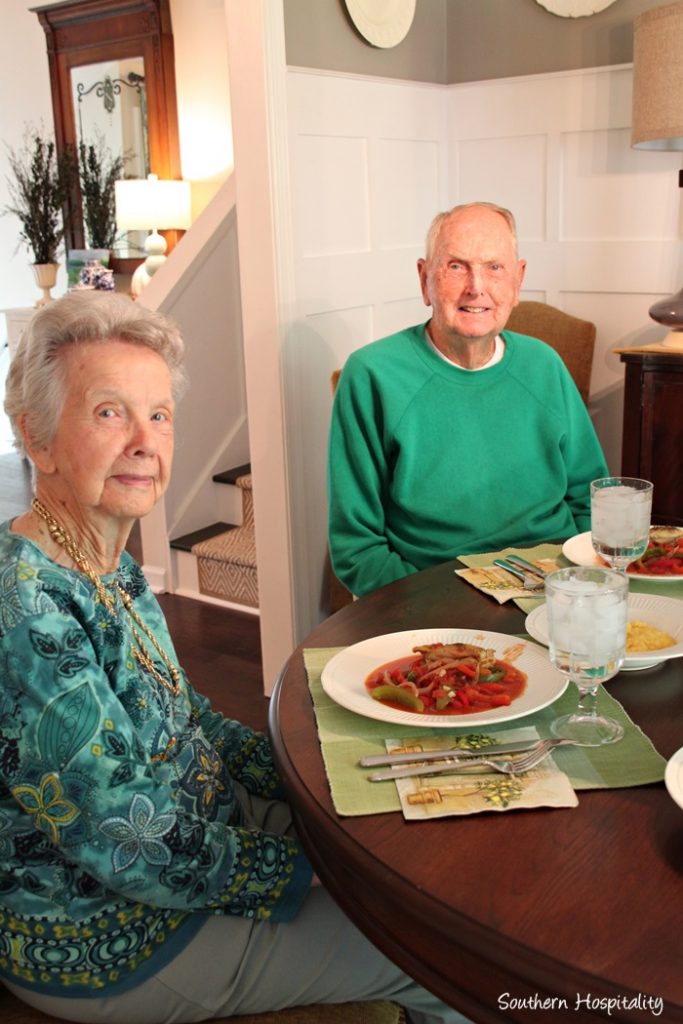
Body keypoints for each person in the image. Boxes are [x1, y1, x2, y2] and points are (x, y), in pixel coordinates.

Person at [0, 291, 467, 1024]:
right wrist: (317, 872)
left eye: (158, 414)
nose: (145, 441)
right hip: (104, 931)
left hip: (197, 832)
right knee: (438, 954)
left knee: (416, 831)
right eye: (108, 412)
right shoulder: (25, 607)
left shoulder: (107, 560)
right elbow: (125, 839)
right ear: (37, 437)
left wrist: (323, 775)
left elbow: (191, 723)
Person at [328, 201, 608, 598]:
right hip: (432, 591)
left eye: (495, 267)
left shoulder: (544, 364)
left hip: (554, 587)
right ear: (425, 279)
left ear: (518, 280)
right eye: (456, 266)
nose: (477, 287)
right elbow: (356, 548)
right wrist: (436, 606)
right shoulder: (371, 375)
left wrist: (580, 585)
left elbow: (591, 500)